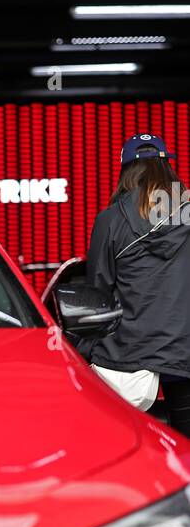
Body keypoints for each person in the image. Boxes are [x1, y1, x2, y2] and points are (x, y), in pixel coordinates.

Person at [86, 132, 190, 434]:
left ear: (127, 171)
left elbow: (98, 294)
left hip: (128, 354)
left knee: (126, 446)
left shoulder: (110, 220)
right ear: (168, 167)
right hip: (184, 350)